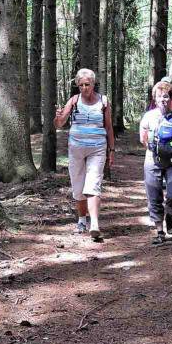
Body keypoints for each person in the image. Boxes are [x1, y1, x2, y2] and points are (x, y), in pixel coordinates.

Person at [54, 68, 115, 242]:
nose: (84, 88)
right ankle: (82, 221)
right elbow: (59, 124)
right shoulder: (74, 101)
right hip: (76, 149)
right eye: (81, 85)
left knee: (93, 185)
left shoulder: (103, 101)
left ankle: (94, 224)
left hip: (98, 148)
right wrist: (58, 117)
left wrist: (111, 150)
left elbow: (108, 127)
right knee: (78, 186)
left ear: (93, 84)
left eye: (87, 84)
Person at [140, 80, 172, 245]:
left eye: (166, 96)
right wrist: (157, 149)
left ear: (171, 98)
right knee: (153, 194)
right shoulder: (148, 116)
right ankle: (160, 232)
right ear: (154, 98)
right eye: (159, 96)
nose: (163, 100)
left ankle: (170, 215)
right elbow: (143, 139)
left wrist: (170, 149)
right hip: (152, 159)